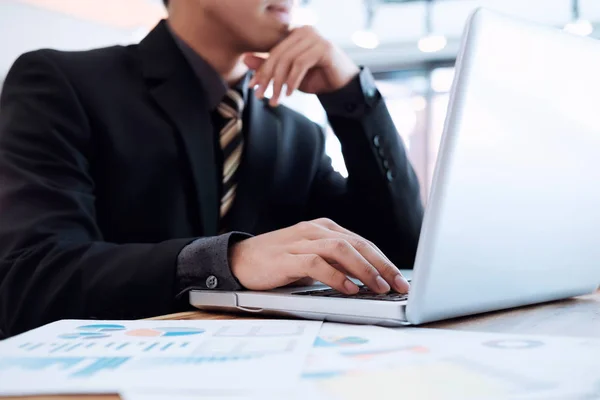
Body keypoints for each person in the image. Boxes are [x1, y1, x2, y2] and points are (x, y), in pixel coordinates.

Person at [0, 0, 424, 338]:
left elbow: (396, 254)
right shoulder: (63, 83)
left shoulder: (297, 133)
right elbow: (29, 278)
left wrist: (353, 99)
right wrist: (228, 260)